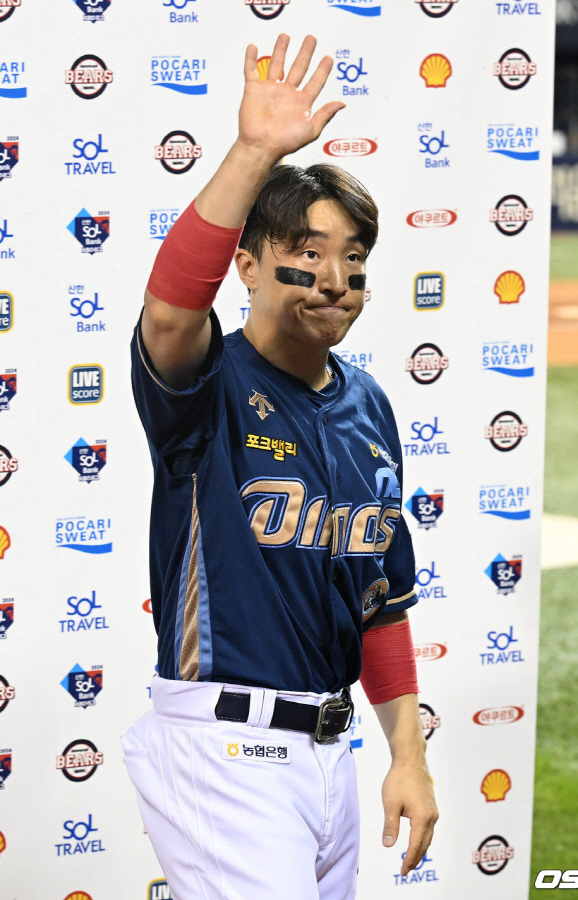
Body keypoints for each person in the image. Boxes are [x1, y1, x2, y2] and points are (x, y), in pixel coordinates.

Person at [121, 33, 438, 900]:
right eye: (306, 250)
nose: (334, 277)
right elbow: (169, 309)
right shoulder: (206, 383)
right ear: (248, 266)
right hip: (225, 753)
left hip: (331, 759)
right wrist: (255, 151)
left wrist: (406, 756)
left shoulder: (369, 405)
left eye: (355, 260)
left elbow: (379, 601)